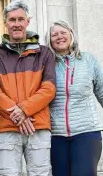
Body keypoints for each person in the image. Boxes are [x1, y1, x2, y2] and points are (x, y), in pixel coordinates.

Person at [0, 0, 56, 176]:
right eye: (12, 20)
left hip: (37, 126)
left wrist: (24, 110)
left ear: (27, 21)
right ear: (5, 23)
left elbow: (49, 89)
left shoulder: (45, 53)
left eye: (20, 19)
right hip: (6, 128)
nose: (16, 24)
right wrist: (19, 115)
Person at [45, 20, 103, 176]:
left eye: (63, 32)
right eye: (54, 34)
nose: (59, 37)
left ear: (71, 34)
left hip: (87, 133)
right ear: (49, 40)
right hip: (56, 135)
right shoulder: (46, 65)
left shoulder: (89, 60)